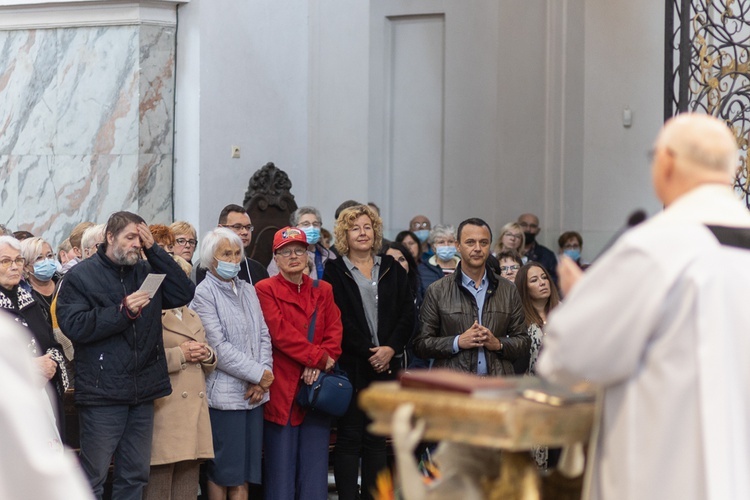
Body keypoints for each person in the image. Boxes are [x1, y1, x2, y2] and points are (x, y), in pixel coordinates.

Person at [537, 113, 750, 500]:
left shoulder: (657, 246)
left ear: (666, 161)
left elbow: (568, 360)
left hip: (666, 478)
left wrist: (584, 299)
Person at [56, 211, 196, 499]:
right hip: (102, 393)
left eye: (140, 238)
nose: (136, 244)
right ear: (110, 237)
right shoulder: (80, 277)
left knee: (134, 475)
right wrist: (123, 312)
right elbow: (75, 326)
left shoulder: (146, 272)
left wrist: (154, 249)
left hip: (141, 392)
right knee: (92, 477)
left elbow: (183, 292)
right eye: (130, 237)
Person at [323, 205, 414, 500]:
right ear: (344, 235)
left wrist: (390, 349)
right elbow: (338, 318)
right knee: (349, 438)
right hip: (352, 366)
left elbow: (407, 314)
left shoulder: (391, 266)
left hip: (387, 366)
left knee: (377, 440)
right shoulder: (334, 270)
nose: (362, 233)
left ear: (375, 232)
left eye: (367, 226)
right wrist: (369, 352)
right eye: (354, 228)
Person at [255, 227, 343, 500]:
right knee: (280, 475)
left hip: (316, 390)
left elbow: (334, 331)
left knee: (315, 474)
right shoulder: (265, 289)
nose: (293, 256)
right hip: (282, 390)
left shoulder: (323, 289)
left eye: (299, 251)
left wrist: (320, 364)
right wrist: (316, 358)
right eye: (286, 252)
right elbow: (280, 333)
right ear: (276, 258)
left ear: (308, 255)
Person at [190, 228, 274, 500]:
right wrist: (259, 373)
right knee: (224, 471)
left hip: (254, 395)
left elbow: (263, 334)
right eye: (227, 253)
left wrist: (263, 376)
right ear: (211, 258)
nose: (234, 259)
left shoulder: (248, 289)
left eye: (237, 253)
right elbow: (219, 348)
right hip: (225, 397)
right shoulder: (204, 293)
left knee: (247, 472)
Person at [414, 218, 528, 376]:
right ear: (457, 246)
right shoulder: (437, 290)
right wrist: (457, 342)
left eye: (483, 242)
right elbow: (421, 344)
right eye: (470, 242)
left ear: (490, 246)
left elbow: (523, 341)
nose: (477, 248)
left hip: (496, 384)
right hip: (454, 385)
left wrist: (498, 343)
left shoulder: (508, 289)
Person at [144, 255, 216, 500]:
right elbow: (141, 359)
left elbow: (208, 353)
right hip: (167, 408)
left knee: (187, 486)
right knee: (159, 487)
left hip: (194, 410)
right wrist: (180, 354)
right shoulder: (150, 312)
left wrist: (207, 354)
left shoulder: (192, 315)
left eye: (184, 278)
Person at [0, 313, 93, 500]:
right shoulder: (6, 331)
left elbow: (50, 343)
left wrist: (46, 364)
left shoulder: (17, 317)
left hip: (35, 397)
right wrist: (29, 366)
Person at [0, 236, 68, 439]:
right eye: (5, 261)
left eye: (19, 260)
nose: (14, 267)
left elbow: (52, 344)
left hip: (41, 398)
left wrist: (50, 364)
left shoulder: (29, 301)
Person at [194, 204, 269, 286]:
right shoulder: (206, 267)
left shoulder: (259, 269)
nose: (245, 232)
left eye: (248, 227)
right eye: (237, 227)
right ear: (221, 229)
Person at [514, 262, 560, 375]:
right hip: (532, 386)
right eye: (534, 280)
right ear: (524, 288)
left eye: (544, 278)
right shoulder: (518, 320)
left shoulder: (565, 312)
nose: (542, 282)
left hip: (566, 384)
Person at [266, 206, 336, 279]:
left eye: (315, 224)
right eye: (306, 224)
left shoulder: (330, 255)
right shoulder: (284, 255)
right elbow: (273, 282)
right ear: (295, 227)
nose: (311, 228)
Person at [20, 236, 61, 325]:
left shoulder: (65, 282)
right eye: (39, 258)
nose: (46, 261)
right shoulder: (23, 295)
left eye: (49, 256)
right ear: (25, 266)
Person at [517, 213, 558, 285]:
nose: (528, 229)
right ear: (517, 226)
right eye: (524, 225)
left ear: (538, 230)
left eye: (532, 226)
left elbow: (554, 282)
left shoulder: (547, 255)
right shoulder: (509, 252)